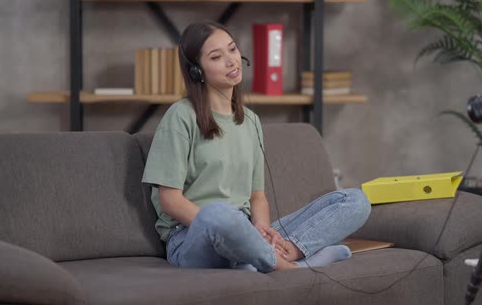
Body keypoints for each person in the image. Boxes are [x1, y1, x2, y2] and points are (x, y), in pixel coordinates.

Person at [141, 21, 371, 273]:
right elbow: (170, 200)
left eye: (232, 49)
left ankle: (278, 253)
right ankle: (290, 268)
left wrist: (261, 231)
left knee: (355, 200)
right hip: (191, 237)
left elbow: (256, 196)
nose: (231, 61)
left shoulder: (250, 121)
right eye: (217, 57)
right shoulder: (180, 116)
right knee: (218, 215)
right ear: (197, 71)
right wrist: (228, 231)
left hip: (245, 229)